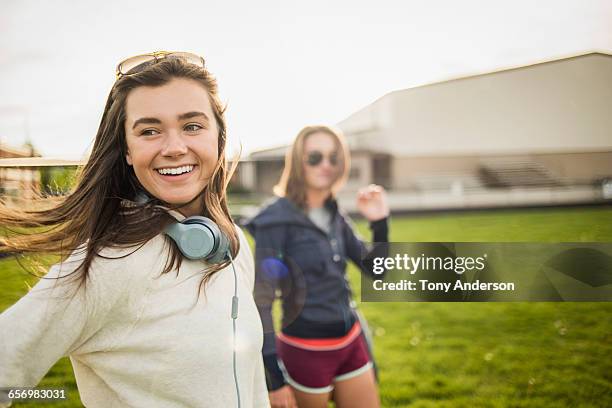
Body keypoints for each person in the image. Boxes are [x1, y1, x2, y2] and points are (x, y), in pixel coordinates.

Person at [0, 51, 269, 407]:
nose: (174, 148)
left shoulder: (232, 244)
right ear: (127, 150)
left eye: (192, 125)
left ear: (219, 137)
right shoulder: (106, 266)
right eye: (150, 131)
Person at [245, 125, 389, 408]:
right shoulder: (275, 221)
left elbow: (378, 270)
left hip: (351, 341)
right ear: (298, 161)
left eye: (333, 158)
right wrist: (273, 376)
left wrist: (380, 222)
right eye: (315, 157)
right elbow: (261, 303)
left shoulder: (334, 213)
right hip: (305, 350)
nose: (326, 165)